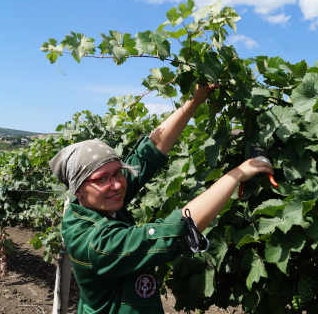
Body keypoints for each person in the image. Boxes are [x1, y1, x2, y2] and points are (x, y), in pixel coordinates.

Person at [49, 84, 274, 314]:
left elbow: (149, 152)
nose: (116, 184)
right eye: (102, 179)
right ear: (78, 190)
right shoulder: (94, 243)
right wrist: (237, 174)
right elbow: (174, 231)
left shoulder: (96, 200)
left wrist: (195, 100)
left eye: (118, 172)